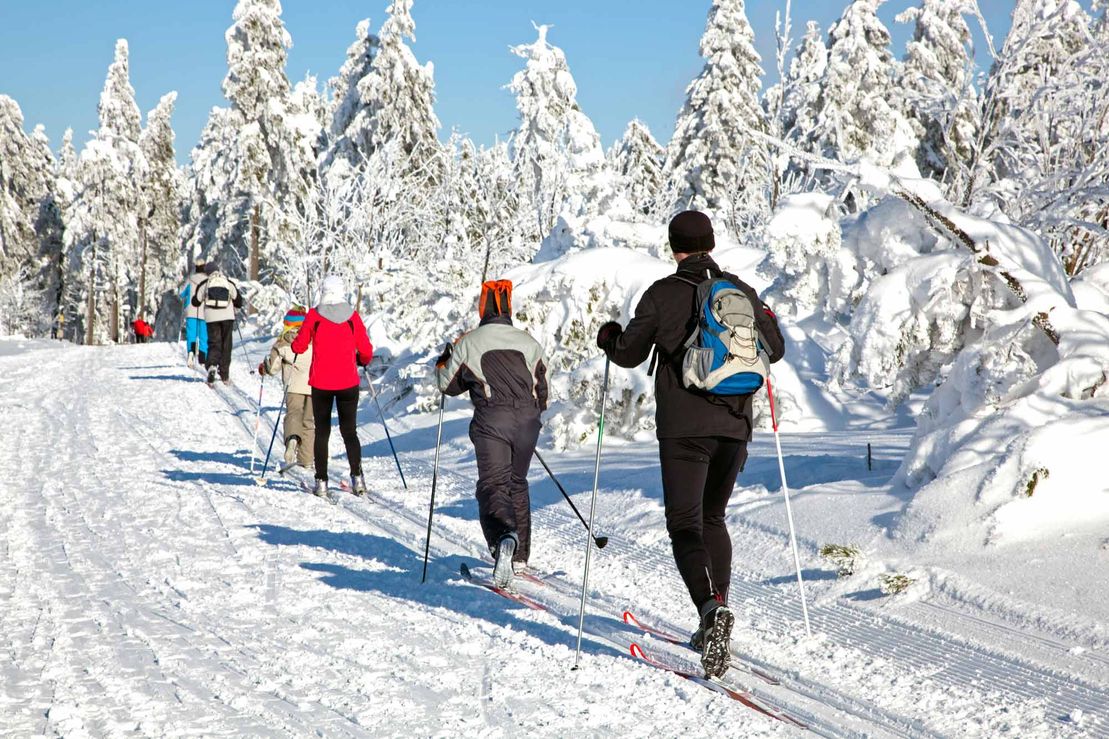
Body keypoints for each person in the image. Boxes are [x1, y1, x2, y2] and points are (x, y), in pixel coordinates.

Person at [595, 211, 785, 678]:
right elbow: (774, 348)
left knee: (685, 525)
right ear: (711, 243)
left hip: (683, 428)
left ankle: (709, 610)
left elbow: (628, 354)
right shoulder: (739, 289)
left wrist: (608, 337)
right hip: (736, 424)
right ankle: (716, 611)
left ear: (673, 246)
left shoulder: (662, 294)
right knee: (713, 518)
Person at [435, 280, 548, 589]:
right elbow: (542, 387)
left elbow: (447, 385)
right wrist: (530, 415)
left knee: (493, 484)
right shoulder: (528, 342)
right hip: (527, 420)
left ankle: (504, 539)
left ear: (482, 307)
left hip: (492, 419)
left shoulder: (469, 342)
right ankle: (520, 555)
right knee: (517, 483)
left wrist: (443, 360)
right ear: (508, 308)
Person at [291, 275, 373, 497]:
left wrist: (297, 346)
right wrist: (362, 360)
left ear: (323, 291)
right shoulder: (352, 317)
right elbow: (366, 349)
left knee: (322, 433)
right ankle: (358, 479)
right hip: (348, 383)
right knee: (349, 432)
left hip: (322, 383)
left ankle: (321, 482)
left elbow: (299, 345)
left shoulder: (314, 316)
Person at [258, 305, 314, 469]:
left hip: (293, 386)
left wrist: (265, 368)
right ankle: (306, 460)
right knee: (309, 422)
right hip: (313, 386)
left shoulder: (282, 343)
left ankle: (292, 440)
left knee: (293, 414)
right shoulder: (314, 340)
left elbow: (273, 368)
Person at [192, 263, 243, 386]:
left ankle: (212, 366)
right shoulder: (228, 282)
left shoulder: (205, 284)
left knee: (214, 343)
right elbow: (239, 301)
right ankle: (225, 375)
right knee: (226, 345)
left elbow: (195, 302)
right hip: (227, 318)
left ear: (207, 272)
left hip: (211, 318)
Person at [179, 258, 209, 367]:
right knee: (203, 336)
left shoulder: (190, 280)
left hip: (191, 310)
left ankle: (191, 353)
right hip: (205, 312)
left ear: (196, 267)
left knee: (191, 335)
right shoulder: (208, 280)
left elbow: (181, 293)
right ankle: (203, 357)